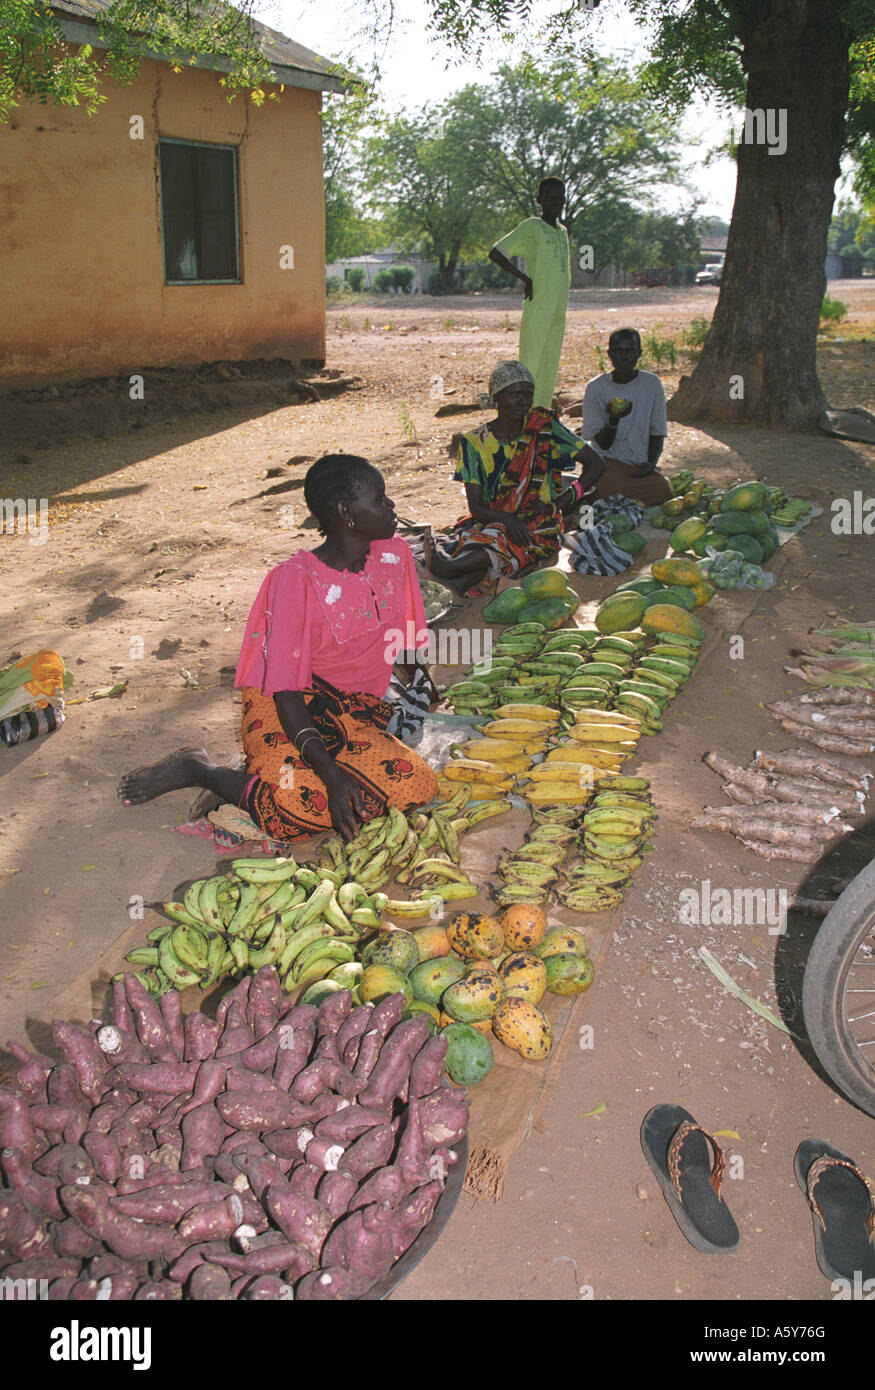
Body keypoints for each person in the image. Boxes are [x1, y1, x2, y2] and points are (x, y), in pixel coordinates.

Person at [118, 455, 440, 842]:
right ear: (345, 511)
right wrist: (331, 775)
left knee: (416, 786)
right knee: (295, 808)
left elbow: (400, 633)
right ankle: (202, 770)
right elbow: (286, 691)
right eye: (380, 498)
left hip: (353, 711)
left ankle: (261, 775)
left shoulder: (394, 554)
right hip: (285, 705)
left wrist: (422, 680)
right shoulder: (294, 582)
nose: (391, 506)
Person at [423, 360, 603, 597]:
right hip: (493, 519)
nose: (523, 401)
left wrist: (558, 504)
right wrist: (509, 520)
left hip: (540, 523)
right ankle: (458, 581)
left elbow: (597, 464)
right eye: (514, 394)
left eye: (528, 394)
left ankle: (447, 567)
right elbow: (476, 507)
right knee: (492, 539)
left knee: (496, 542)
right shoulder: (474, 443)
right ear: (496, 397)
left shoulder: (544, 428)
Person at [489, 177, 571, 408]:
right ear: (540, 200)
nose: (556, 201)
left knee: (550, 362)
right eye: (550, 197)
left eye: (560, 197)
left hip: (558, 307)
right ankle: (520, 414)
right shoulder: (532, 226)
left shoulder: (562, 231)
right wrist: (525, 278)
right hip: (539, 305)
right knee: (531, 361)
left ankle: (541, 414)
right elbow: (496, 252)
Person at [580, 327, 672, 506]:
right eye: (618, 351)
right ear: (609, 354)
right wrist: (613, 420)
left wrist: (651, 463)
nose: (624, 356)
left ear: (639, 354)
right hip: (606, 463)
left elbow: (657, 431)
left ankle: (618, 501)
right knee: (602, 486)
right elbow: (602, 443)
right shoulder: (596, 388)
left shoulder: (651, 384)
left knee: (662, 489)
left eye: (630, 350)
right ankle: (620, 499)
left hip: (637, 464)